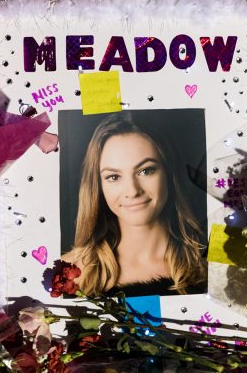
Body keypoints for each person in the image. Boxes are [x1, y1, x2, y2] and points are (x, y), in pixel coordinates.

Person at [64, 112, 206, 297]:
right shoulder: (68, 274)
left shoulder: (209, 268)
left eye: (146, 170)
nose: (132, 190)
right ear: (98, 186)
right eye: (113, 177)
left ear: (169, 173)